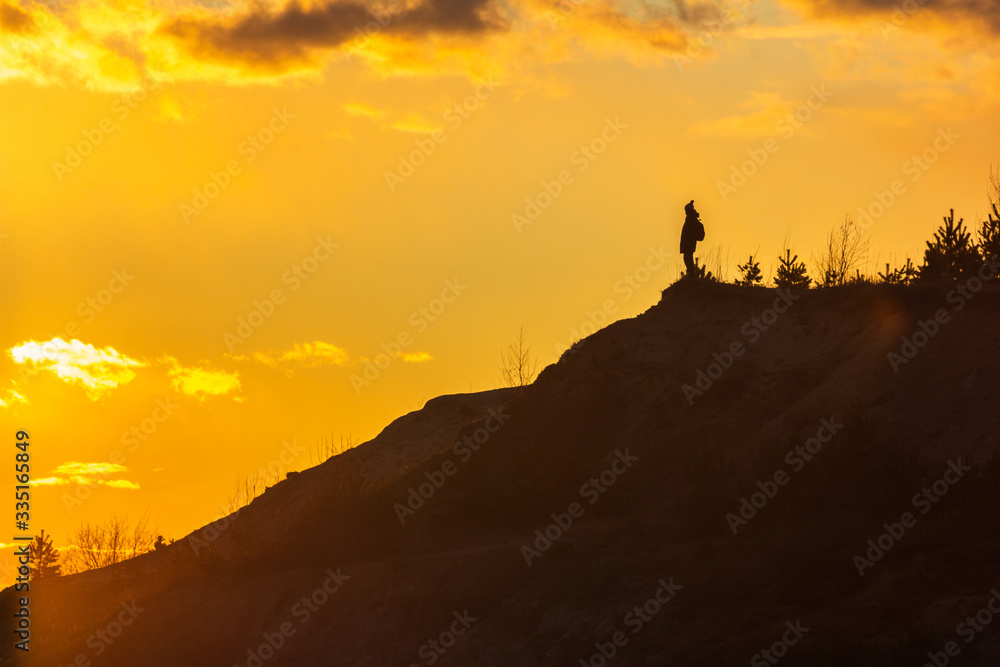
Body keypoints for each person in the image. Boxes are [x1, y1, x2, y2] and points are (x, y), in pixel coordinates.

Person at [680, 200, 705, 277]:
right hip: (688, 243)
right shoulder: (691, 218)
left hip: (689, 243)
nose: (685, 212)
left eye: (686, 210)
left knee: (688, 258)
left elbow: (690, 232)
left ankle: (691, 274)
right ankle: (691, 274)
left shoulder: (691, 219)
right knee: (687, 257)